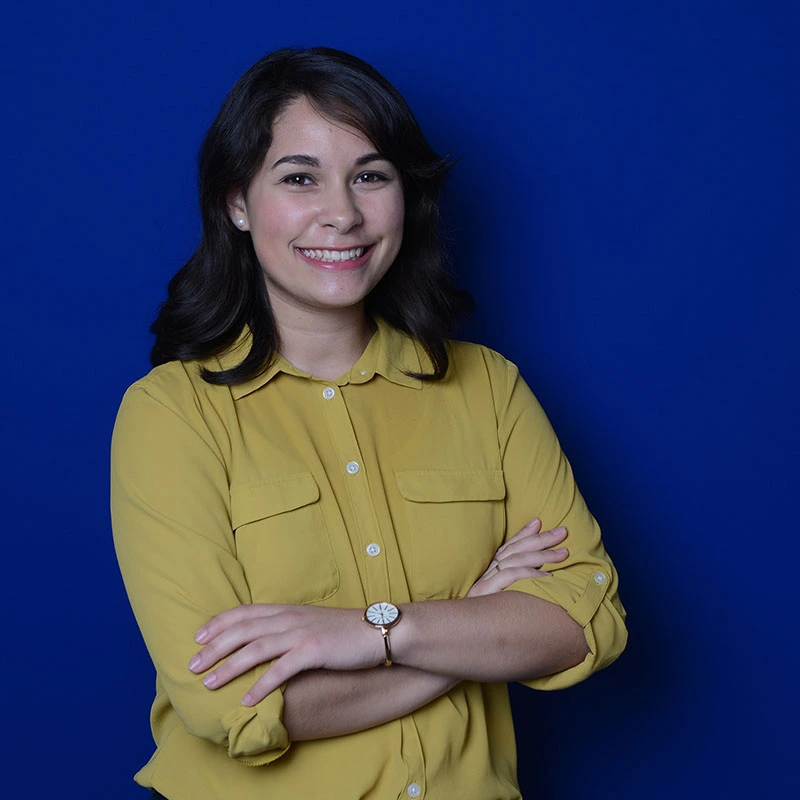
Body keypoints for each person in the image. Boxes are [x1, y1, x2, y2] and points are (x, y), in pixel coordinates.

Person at [111, 46, 627, 800]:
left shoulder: (489, 388)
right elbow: (233, 705)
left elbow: (589, 623)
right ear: (237, 202)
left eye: (371, 175)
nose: (343, 212)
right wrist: (476, 623)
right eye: (299, 177)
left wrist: (376, 632)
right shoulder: (171, 414)